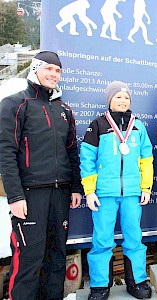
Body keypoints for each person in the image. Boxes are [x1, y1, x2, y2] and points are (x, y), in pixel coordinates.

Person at [0, 51, 83, 299]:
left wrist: (76, 187)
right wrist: (15, 196)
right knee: (29, 259)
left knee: (56, 256)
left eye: (58, 71)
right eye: (49, 69)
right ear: (36, 69)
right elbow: (5, 152)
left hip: (60, 195)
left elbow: (72, 152)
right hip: (30, 195)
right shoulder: (15, 104)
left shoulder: (64, 110)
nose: (54, 75)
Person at [80, 81, 153, 300]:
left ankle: (137, 281)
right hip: (104, 193)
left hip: (132, 192)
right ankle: (100, 286)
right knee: (102, 239)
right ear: (109, 99)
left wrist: (146, 187)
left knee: (134, 237)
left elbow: (146, 159)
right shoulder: (98, 125)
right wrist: (90, 191)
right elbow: (87, 160)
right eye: (118, 97)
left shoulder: (138, 126)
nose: (123, 101)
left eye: (127, 97)